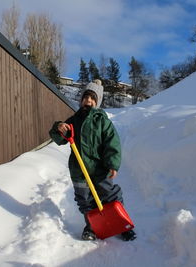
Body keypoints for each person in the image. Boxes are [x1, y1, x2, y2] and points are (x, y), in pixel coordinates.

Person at [49, 79, 136, 241]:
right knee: (85, 200)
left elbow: (112, 143)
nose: (88, 100)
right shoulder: (73, 120)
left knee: (109, 195)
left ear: (97, 102)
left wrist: (112, 164)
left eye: (92, 98)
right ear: (81, 99)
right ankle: (91, 227)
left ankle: (121, 223)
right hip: (79, 171)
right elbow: (60, 138)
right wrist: (59, 128)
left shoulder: (103, 121)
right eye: (86, 97)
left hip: (100, 169)